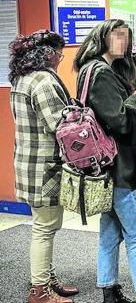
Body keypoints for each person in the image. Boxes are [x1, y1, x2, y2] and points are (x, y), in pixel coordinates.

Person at [73, 19, 136, 303]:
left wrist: (132, 55)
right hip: (119, 167)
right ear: (103, 38)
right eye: (118, 37)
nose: (123, 42)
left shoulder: (93, 69)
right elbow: (119, 120)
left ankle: (109, 291)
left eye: (126, 37)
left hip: (103, 167)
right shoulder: (101, 74)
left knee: (111, 231)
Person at [9, 30, 79, 303]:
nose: (61, 60)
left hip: (29, 163)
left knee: (45, 225)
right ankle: (40, 291)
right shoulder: (43, 81)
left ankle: (47, 280)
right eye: (59, 54)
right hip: (45, 167)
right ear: (48, 54)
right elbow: (60, 127)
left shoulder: (21, 79)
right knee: (44, 228)